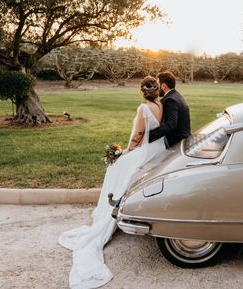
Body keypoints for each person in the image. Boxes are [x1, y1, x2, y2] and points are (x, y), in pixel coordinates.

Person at [58, 76, 167, 289]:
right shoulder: (160, 105)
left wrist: (124, 152)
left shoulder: (143, 109)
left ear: (141, 91)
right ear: (156, 90)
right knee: (118, 164)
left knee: (115, 166)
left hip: (144, 151)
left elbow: (137, 136)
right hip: (158, 148)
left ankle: (109, 209)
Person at [148, 71, 191, 147]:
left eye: (157, 85)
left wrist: (149, 134)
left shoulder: (170, 100)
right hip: (184, 139)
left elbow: (170, 125)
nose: (156, 88)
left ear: (163, 86)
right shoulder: (177, 95)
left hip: (177, 143)